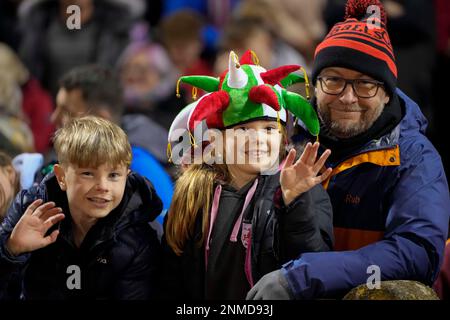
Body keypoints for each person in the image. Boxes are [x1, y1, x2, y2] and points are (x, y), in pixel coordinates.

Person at [247, 0, 450, 300]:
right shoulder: (280, 137)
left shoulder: (414, 158)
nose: (347, 97)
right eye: (334, 80)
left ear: (386, 93)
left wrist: (305, 276)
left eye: (365, 84)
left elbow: (417, 253)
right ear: (315, 84)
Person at [161, 50, 334, 299]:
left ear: (283, 138)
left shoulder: (303, 191)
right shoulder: (193, 192)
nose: (258, 139)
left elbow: (311, 269)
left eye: (268, 129)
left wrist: (295, 204)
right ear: (215, 139)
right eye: (243, 129)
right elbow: (170, 277)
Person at [0, 116, 162, 299]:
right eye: (88, 173)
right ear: (61, 177)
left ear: (127, 176)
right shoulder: (29, 209)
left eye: (114, 175)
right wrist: (11, 250)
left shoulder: (139, 239)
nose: (103, 186)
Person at [51, 65, 173, 222]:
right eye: (88, 173)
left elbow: (165, 232)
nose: (53, 118)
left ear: (102, 118)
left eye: (67, 112)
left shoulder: (140, 166)